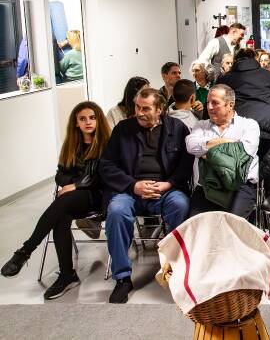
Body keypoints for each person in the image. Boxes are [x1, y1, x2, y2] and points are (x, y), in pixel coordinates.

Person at [1, 102, 110, 299]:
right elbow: (60, 175)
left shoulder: (108, 144)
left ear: (99, 120)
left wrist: (76, 185)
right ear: (76, 123)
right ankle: (67, 275)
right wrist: (72, 184)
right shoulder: (71, 145)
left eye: (92, 118)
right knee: (62, 216)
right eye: (82, 119)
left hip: (98, 198)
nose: (88, 122)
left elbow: (104, 176)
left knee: (63, 202)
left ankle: (25, 251)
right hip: (73, 200)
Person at [100, 88, 192, 303]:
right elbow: (106, 166)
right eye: (137, 107)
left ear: (159, 109)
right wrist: (133, 185)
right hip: (130, 191)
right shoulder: (123, 129)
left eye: (145, 109)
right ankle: (122, 278)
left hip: (165, 190)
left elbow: (186, 164)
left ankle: (175, 270)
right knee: (116, 211)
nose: (139, 113)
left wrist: (168, 184)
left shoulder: (177, 128)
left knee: (180, 204)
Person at [186, 84, 260, 219]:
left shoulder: (249, 125)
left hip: (240, 187)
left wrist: (207, 151)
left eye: (215, 103)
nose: (209, 107)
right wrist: (229, 143)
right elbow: (191, 146)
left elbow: (244, 153)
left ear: (230, 104)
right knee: (196, 225)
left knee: (231, 224)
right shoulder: (200, 125)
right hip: (206, 186)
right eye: (208, 102)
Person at [218, 49, 270, 157]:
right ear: (255, 59)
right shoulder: (269, 76)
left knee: (242, 166)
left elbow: (216, 105)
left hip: (240, 131)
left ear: (235, 60)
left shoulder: (225, 79)